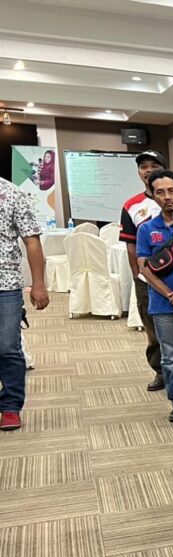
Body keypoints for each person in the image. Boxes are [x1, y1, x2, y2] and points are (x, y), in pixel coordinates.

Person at [136, 170, 173, 426]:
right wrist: (170, 294)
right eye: (160, 192)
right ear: (153, 196)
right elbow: (144, 268)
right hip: (162, 303)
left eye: (172, 191)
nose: (167, 197)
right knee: (170, 356)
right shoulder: (147, 229)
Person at [0, 176, 49, 431]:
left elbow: (32, 240)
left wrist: (38, 284)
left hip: (5, 283)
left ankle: (10, 406)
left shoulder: (12, 194)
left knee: (8, 347)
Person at [120, 150, 168, 392]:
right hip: (146, 277)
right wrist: (138, 275)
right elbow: (130, 245)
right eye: (143, 166)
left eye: (154, 165)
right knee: (152, 328)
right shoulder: (131, 206)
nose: (148, 170)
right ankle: (161, 372)